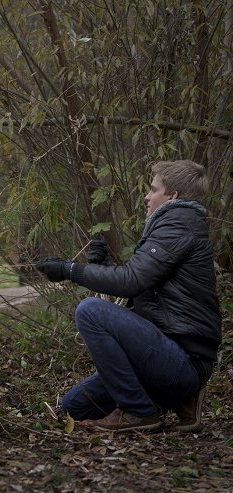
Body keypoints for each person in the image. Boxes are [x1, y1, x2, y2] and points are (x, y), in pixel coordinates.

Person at [35, 160, 221, 432]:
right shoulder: (174, 225)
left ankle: (140, 411)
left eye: (153, 189)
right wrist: (101, 267)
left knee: (90, 311)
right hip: (162, 354)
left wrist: (70, 270)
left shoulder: (178, 225)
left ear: (172, 196)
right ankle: (177, 399)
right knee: (73, 406)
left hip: (184, 358)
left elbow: (132, 281)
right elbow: (144, 285)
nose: (146, 196)